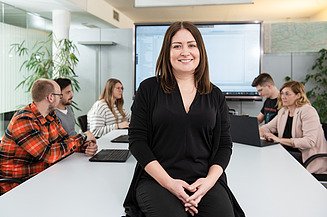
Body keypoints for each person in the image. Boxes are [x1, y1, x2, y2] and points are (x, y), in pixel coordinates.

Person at [124, 21, 244, 217]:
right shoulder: (148, 89)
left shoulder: (215, 95)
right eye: (177, 46)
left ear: (200, 51)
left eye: (191, 45)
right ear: (167, 52)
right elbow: (137, 142)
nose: (185, 52)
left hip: (203, 181)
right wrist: (170, 184)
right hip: (158, 179)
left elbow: (224, 146)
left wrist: (208, 183)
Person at [0, 79, 98, 194]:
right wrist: (83, 137)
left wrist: (85, 147)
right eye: (59, 95)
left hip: (42, 176)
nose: (61, 98)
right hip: (18, 185)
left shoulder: (50, 115)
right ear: (51, 97)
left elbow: (65, 141)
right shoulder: (24, 120)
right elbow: (49, 154)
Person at [260, 81, 327, 174]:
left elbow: (309, 142)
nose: (283, 97)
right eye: (282, 93)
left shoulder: (308, 111)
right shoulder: (284, 111)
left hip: (306, 157)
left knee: (270, 159)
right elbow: (267, 127)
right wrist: (261, 131)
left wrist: (279, 139)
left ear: (298, 95)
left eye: (287, 94)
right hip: (288, 152)